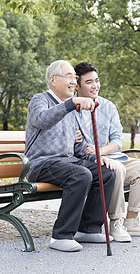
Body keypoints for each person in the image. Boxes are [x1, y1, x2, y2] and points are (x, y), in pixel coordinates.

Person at [25, 60, 116, 252]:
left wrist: (97, 158)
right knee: (80, 174)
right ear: (53, 80)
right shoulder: (40, 100)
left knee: (106, 172)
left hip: (66, 162)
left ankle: (89, 228)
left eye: (74, 78)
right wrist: (69, 104)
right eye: (69, 77)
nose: (73, 82)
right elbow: (41, 120)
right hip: (41, 163)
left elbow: (79, 146)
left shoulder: (69, 109)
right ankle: (61, 235)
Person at [74, 62, 140, 242]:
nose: (95, 85)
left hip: (107, 156)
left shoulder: (108, 107)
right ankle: (116, 222)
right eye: (89, 82)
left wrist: (101, 151)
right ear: (77, 85)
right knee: (116, 169)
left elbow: (117, 141)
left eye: (96, 81)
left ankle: (131, 221)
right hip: (85, 162)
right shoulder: (71, 108)